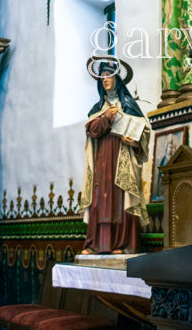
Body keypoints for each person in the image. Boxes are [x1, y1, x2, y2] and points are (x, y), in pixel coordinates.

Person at [80, 59, 150, 254]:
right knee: (101, 199)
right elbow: (91, 130)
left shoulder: (128, 104)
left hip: (122, 157)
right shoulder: (98, 108)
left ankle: (122, 244)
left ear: (117, 79)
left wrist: (135, 142)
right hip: (102, 160)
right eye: (102, 76)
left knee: (121, 197)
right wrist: (106, 118)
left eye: (109, 75)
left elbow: (143, 132)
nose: (105, 80)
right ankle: (97, 244)